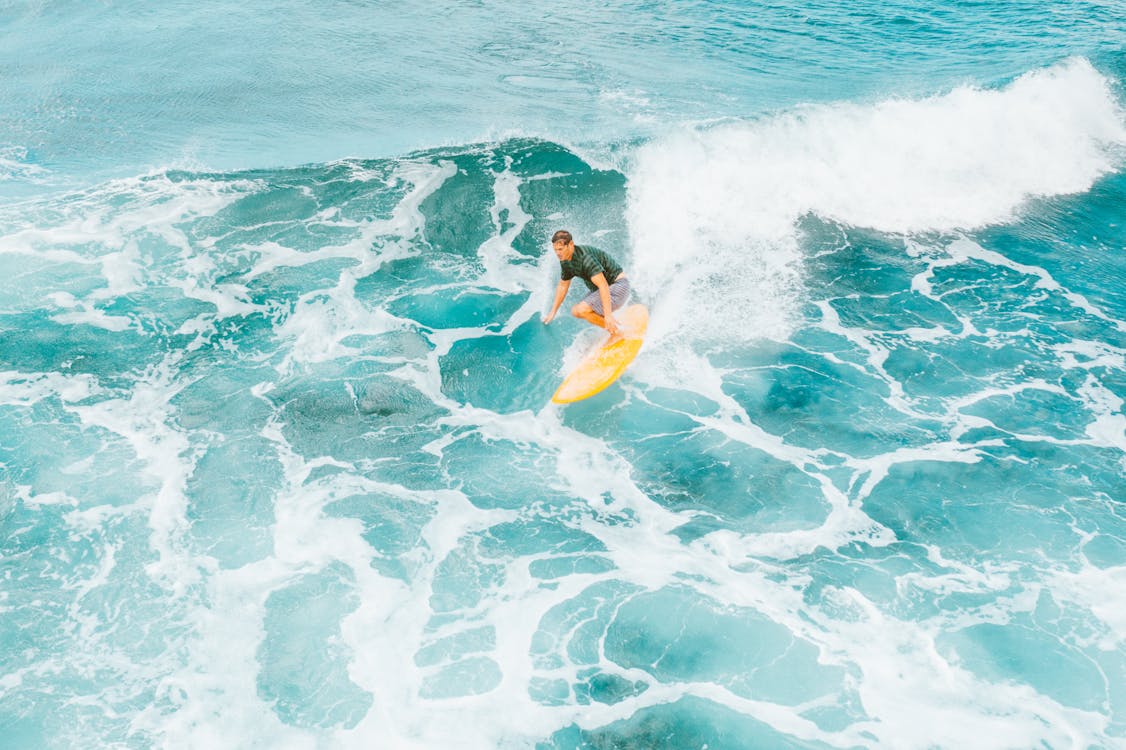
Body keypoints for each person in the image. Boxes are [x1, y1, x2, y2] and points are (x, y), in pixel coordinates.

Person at [541, 230, 631, 344]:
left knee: (581, 310)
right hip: (608, 288)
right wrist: (553, 312)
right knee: (577, 311)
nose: (558, 253)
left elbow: (603, 285)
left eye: (560, 249)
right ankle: (615, 328)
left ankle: (616, 332)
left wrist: (608, 315)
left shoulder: (585, 259)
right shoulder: (565, 259)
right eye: (555, 250)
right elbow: (563, 285)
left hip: (618, 287)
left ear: (570, 245)